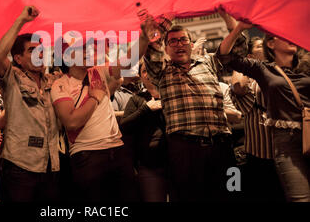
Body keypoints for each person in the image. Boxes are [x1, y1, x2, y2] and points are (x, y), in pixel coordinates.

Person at [50, 19, 150, 202]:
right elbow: (71, 122)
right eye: (80, 49)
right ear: (66, 56)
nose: (88, 52)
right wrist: (95, 97)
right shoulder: (59, 85)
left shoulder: (99, 71)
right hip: (87, 157)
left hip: (118, 151)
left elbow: (128, 62)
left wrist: (144, 37)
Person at [143, 13, 236, 202]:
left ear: (191, 45)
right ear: (166, 49)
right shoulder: (162, 72)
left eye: (183, 40)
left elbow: (235, 49)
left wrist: (231, 19)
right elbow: (152, 51)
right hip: (185, 149)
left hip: (222, 145)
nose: (179, 44)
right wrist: (166, 18)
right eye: (173, 42)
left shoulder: (209, 62)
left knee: (230, 195)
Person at [218, 20, 310, 202]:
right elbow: (225, 57)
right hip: (287, 143)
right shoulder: (264, 70)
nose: (290, 37)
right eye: (283, 34)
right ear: (271, 43)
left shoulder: (307, 64)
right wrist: (239, 28)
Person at [0, 6, 61, 202]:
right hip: (20, 167)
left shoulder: (53, 81)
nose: (39, 54)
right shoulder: (12, 78)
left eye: (41, 50)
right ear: (18, 59)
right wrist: (22, 20)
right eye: (32, 50)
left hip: (51, 165)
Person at [229, 36, 285, 201]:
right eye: (260, 46)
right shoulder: (250, 79)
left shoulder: (280, 72)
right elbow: (238, 87)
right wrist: (242, 63)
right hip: (258, 154)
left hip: (285, 151)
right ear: (250, 56)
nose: (266, 47)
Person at [118, 60, 168, 201]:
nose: (148, 73)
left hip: (177, 161)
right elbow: (124, 126)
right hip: (149, 167)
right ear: (140, 77)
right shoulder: (137, 99)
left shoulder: (172, 94)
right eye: (144, 71)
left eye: (151, 68)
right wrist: (146, 109)